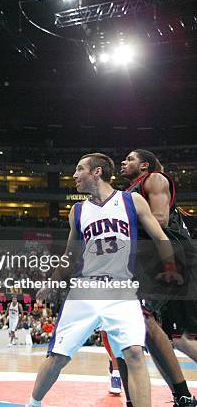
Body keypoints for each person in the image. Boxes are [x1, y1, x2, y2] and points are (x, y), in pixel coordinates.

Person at [26, 153, 183, 407]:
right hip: (86, 290)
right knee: (58, 357)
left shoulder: (132, 201)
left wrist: (169, 266)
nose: (74, 175)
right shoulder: (77, 210)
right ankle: (32, 403)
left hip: (122, 290)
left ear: (97, 172)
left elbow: (160, 237)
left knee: (134, 353)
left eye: (79, 169)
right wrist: (52, 281)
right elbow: (69, 255)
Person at [120, 149, 197, 407]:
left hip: (171, 258)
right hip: (157, 260)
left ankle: (182, 396)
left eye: (129, 159)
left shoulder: (154, 179)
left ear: (144, 165)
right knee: (176, 338)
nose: (123, 162)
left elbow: (161, 220)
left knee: (142, 319)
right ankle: (182, 396)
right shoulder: (132, 190)